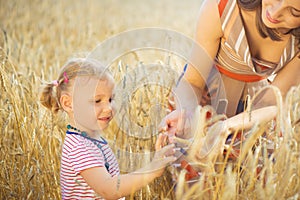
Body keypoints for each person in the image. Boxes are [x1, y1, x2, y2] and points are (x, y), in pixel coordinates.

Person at [160, 0, 299, 140]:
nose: (275, 12)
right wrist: (187, 114)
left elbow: (270, 102)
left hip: (252, 113)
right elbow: (192, 81)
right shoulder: (222, 7)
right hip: (203, 101)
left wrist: (225, 127)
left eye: (294, 12)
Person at [40, 58, 176, 199]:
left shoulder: (91, 139)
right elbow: (109, 189)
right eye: (97, 101)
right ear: (68, 103)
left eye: (111, 99)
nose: (108, 108)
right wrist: (150, 171)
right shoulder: (78, 147)